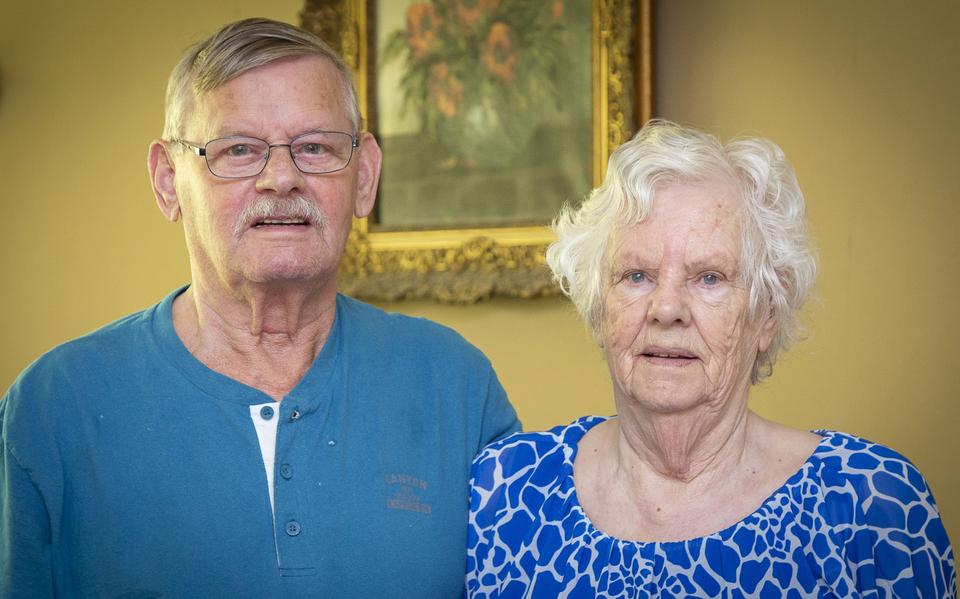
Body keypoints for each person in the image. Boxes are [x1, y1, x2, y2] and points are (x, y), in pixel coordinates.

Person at [0, 18, 520, 598]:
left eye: (315, 147)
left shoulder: (455, 384)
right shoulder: (52, 408)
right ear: (169, 180)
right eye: (239, 150)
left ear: (365, 176)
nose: (281, 178)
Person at [465, 120, 955, 597]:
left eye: (709, 278)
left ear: (766, 312)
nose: (667, 309)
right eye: (636, 275)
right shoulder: (507, 491)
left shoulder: (871, 506)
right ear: (598, 309)